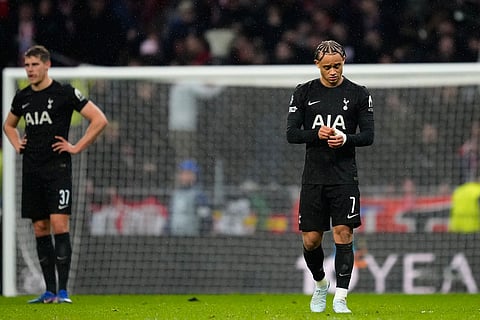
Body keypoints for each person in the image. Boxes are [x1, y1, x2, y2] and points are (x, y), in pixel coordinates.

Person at [3, 45, 108, 303]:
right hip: (32, 171)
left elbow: (99, 119)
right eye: (27, 66)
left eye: (34, 65)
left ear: (47, 65)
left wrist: (76, 147)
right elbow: (8, 125)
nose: (29, 70)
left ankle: (63, 290)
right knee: (40, 227)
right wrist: (17, 144)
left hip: (57, 170)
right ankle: (49, 291)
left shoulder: (64, 92)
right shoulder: (23, 97)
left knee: (60, 225)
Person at [286, 40, 374, 313]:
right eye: (327, 67)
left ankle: (341, 297)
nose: (333, 71)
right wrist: (316, 134)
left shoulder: (359, 94)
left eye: (337, 65)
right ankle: (321, 284)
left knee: (343, 233)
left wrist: (345, 138)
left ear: (344, 62)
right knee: (311, 240)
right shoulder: (303, 92)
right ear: (317, 65)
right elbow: (291, 134)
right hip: (313, 177)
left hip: (344, 176)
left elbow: (368, 137)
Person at [169, 159, 211, 236]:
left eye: (188, 173)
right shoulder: (176, 194)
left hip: (192, 238)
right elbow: (170, 217)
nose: (184, 176)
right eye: (182, 173)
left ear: (195, 175)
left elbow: (206, 219)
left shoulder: (199, 195)